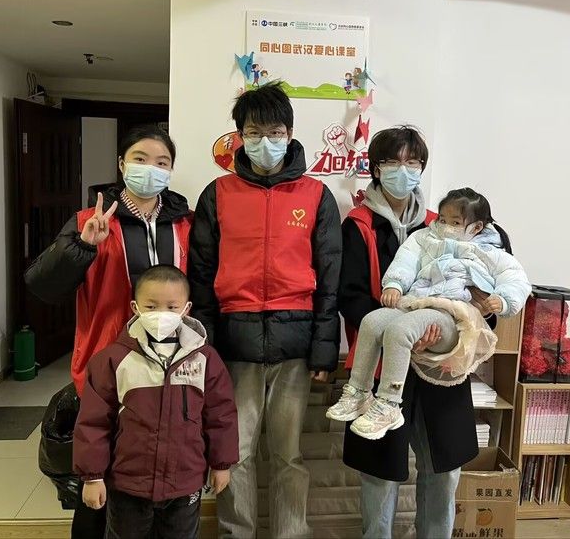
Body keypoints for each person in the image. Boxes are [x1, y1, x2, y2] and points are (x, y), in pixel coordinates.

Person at [188, 82, 342, 538]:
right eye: (254, 132)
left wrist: (323, 349)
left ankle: (291, 534)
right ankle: (237, 533)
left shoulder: (316, 195)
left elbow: (329, 278)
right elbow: (201, 274)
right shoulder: (218, 194)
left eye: (274, 132)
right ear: (240, 136)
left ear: (289, 133)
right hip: (234, 344)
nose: (265, 142)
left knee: (288, 455)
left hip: (296, 345)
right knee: (235, 453)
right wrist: (205, 346)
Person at [25, 124, 193, 539]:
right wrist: (83, 246)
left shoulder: (186, 224)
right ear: (121, 164)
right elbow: (43, 286)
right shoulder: (90, 220)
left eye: (162, 162)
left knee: (151, 476)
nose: (151, 168)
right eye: (140, 159)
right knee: (97, 478)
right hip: (107, 367)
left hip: (168, 370)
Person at [338, 126, 489, 539]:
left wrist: (454, 322)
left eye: (413, 161)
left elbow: (483, 280)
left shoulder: (446, 223)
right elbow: (349, 296)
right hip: (384, 361)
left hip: (440, 363)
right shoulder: (358, 225)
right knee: (379, 471)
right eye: (392, 161)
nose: (402, 169)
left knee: (444, 467)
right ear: (375, 167)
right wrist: (398, 328)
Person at [328, 188, 531, 439]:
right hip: (418, 303)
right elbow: (406, 260)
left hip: (452, 314)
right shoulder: (425, 237)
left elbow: (515, 277)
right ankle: (359, 392)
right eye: (442, 219)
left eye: (455, 222)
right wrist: (394, 284)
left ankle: (389, 403)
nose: (445, 226)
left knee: (400, 330)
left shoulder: (490, 251)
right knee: (372, 321)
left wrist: (503, 299)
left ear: (477, 227)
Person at [74, 265, 238, 539]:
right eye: (151, 306)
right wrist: (93, 476)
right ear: (135, 307)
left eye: (171, 307)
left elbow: (221, 415)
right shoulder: (113, 360)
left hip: (184, 481)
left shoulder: (205, 360)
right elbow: (93, 421)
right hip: (128, 483)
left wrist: (221, 464)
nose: (161, 314)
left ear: (186, 309)